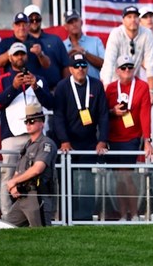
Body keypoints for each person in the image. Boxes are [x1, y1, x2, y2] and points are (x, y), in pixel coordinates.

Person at [0, 42, 54, 218]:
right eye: (16, 55)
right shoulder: (2, 80)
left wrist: (36, 87)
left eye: (22, 54)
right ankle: (7, 216)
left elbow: (50, 103)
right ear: (10, 58)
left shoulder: (38, 79)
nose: (19, 58)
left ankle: (40, 213)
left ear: (27, 57)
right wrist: (14, 87)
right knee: (8, 175)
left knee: (39, 174)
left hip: (37, 135)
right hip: (12, 135)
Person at [51, 53, 109, 221]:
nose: (80, 69)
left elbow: (103, 115)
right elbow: (58, 116)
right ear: (70, 69)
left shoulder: (97, 85)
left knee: (87, 179)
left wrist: (102, 140)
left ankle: (85, 217)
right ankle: (67, 216)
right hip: (68, 142)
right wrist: (64, 140)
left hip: (90, 141)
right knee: (67, 179)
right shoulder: (62, 87)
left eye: (83, 65)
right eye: (76, 66)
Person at [105, 54, 153, 222]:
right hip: (113, 137)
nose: (127, 70)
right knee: (118, 177)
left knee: (126, 174)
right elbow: (104, 113)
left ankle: (133, 214)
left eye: (130, 67)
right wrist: (113, 112)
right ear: (117, 71)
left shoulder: (141, 87)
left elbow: (145, 114)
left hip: (131, 138)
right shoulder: (111, 88)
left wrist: (147, 140)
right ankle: (122, 214)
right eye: (123, 68)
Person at [3, 104, 58, 227]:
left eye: (32, 121)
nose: (28, 124)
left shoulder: (45, 144)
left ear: (42, 123)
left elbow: (37, 169)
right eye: (26, 122)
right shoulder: (27, 145)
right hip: (22, 195)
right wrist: (13, 186)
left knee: (40, 233)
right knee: (6, 227)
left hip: (37, 195)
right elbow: (18, 171)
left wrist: (13, 182)